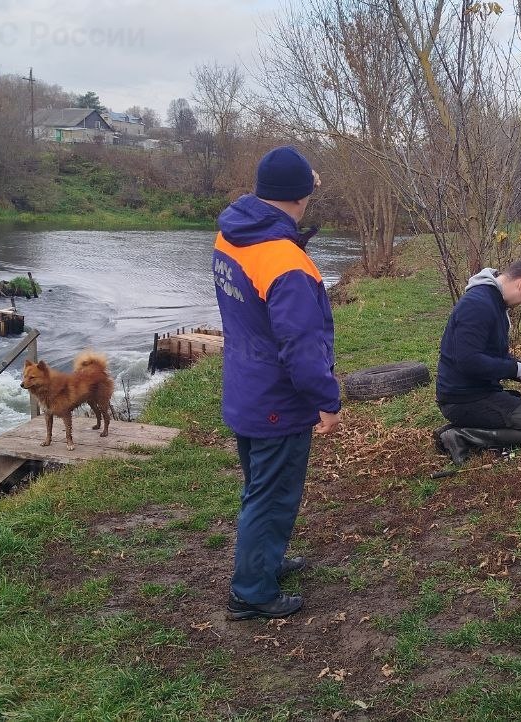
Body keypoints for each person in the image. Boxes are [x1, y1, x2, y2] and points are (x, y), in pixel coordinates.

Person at [212, 146, 342, 621]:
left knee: (260, 487)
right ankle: (251, 592)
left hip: (245, 387)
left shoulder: (232, 235)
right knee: (272, 495)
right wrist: (326, 400)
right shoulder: (286, 262)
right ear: (301, 197)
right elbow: (302, 347)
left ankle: (265, 561)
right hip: (278, 401)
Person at [434, 259, 521, 464]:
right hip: (462, 399)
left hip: (478, 392)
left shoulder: (494, 302)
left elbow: (492, 356)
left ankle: (460, 429)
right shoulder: (478, 304)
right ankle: (462, 436)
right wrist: (519, 370)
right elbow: (468, 361)